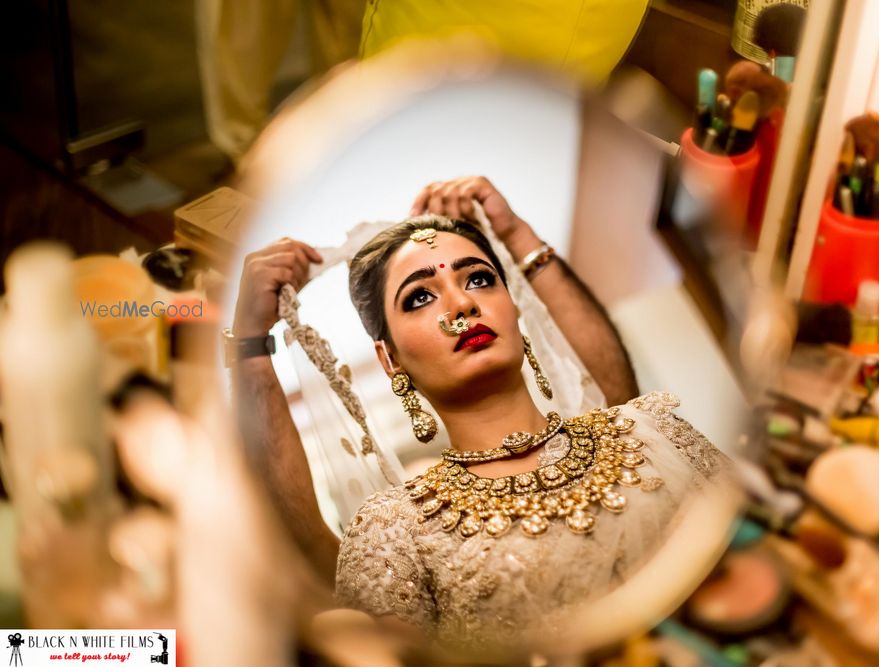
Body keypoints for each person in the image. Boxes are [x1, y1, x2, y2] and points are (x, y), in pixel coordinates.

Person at [230, 176, 730, 648]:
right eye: (420, 296)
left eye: (481, 279)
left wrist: (516, 235)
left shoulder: (650, 428)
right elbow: (317, 557)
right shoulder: (398, 529)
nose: (461, 304)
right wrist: (250, 348)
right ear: (390, 359)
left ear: (515, 309)